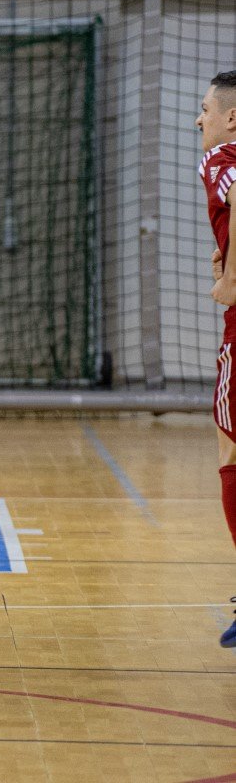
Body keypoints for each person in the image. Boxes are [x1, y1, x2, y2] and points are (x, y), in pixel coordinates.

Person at [193, 72, 236, 649]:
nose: (198, 119)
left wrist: (231, 275)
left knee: (230, 446)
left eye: (205, 109)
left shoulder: (221, 158)